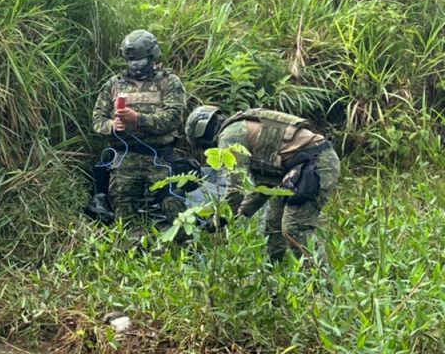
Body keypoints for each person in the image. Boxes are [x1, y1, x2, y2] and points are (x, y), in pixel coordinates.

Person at [184, 105, 340, 262]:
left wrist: (220, 219)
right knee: (274, 224)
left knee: (295, 228)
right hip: (301, 167)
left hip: (317, 164)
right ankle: (276, 270)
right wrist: (241, 212)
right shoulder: (240, 127)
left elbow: (236, 186)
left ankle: (323, 282)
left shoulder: (230, 135)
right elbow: (264, 187)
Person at [92, 29, 186, 228]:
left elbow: (173, 119)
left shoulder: (169, 82)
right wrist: (112, 126)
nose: (136, 66)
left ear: (152, 57)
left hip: (160, 158)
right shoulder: (114, 84)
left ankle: (180, 252)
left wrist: (138, 119)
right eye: (131, 61)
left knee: (174, 212)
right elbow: (97, 120)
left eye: (140, 61)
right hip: (124, 159)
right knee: (123, 219)